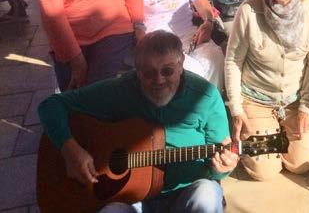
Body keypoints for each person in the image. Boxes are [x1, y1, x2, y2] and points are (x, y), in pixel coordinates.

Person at [37, 31, 238, 213]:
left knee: (208, 194)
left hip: (185, 194)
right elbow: (50, 106)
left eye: (167, 71)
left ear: (181, 63)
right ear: (136, 70)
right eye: (148, 73)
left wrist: (221, 168)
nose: (159, 81)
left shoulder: (205, 96)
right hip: (129, 199)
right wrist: (70, 149)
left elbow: (219, 162)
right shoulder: (120, 89)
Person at [225, 0, 309, 181]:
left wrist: (307, 106)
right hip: (256, 98)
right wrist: (237, 109)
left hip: (293, 99)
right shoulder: (249, 10)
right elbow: (232, 61)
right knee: (263, 172)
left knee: (302, 164)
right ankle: (264, 130)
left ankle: (280, 132)